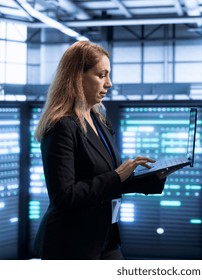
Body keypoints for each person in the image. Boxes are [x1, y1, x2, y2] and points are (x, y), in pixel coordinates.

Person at [34, 41, 173, 260]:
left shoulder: (99, 120)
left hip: (104, 238)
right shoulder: (61, 126)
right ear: (77, 77)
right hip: (71, 245)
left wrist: (155, 176)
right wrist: (118, 175)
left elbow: (106, 180)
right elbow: (63, 196)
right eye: (101, 75)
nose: (109, 83)